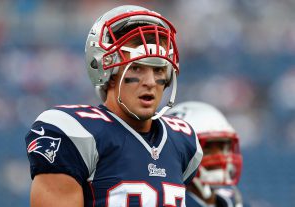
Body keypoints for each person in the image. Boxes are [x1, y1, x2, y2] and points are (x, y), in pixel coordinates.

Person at [25, 5, 203, 207]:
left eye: (159, 70)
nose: (150, 81)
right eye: (136, 67)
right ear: (107, 72)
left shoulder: (183, 141)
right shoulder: (75, 132)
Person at [166, 101, 244, 207]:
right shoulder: (171, 201)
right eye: (207, 148)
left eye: (222, 147)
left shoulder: (231, 199)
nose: (219, 156)